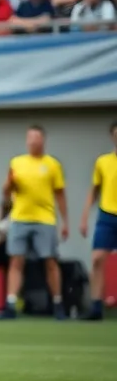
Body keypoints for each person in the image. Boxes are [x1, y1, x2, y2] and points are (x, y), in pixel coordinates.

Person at [0, 125, 70, 320]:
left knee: (50, 261)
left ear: (43, 140)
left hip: (45, 219)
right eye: (30, 138)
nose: (33, 141)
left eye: (36, 138)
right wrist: (9, 184)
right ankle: (11, 304)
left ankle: (57, 304)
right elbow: (6, 194)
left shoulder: (52, 164)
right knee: (16, 261)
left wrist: (65, 222)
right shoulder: (17, 163)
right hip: (20, 218)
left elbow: (60, 194)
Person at [80, 122, 117, 321]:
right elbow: (94, 191)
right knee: (97, 260)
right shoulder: (103, 161)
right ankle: (96, 307)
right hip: (107, 216)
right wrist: (85, 217)